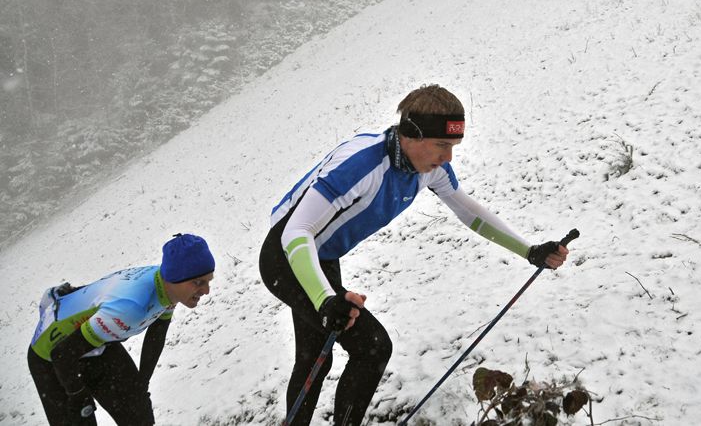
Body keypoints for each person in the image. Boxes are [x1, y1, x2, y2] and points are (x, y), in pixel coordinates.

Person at [259, 84, 570, 425]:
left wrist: (530, 251)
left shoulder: (428, 168)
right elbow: (295, 231)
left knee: (316, 355)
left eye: (453, 146)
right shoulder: (361, 165)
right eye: (441, 145)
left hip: (322, 256)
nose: (448, 157)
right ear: (411, 134)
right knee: (371, 347)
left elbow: (469, 212)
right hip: (286, 256)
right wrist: (324, 300)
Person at [28, 233, 216, 425]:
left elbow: (157, 333)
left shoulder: (169, 287)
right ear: (175, 278)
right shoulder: (131, 307)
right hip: (51, 356)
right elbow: (62, 354)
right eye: (199, 282)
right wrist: (77, 393)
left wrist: (142, 382)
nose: (206, 290)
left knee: (139, 417)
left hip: (96, 342)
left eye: (208, 281)